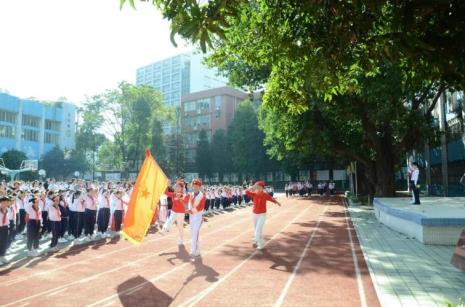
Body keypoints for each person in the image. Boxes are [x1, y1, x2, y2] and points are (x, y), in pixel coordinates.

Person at [246, 181, 281, 250]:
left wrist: (277, 202)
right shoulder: (254, 194)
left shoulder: (265, 195)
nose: (258, 189)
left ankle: (260, 243)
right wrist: (252, 187)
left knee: (257, 231)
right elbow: (247, 192)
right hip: (254, 214)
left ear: (262, 188)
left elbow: (271, 199)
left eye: (259, 187)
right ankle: (257, 240)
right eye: (257, 187)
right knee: (257, 229)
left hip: (262, 215)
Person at [159, 181, 190, 245]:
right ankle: (164, 230)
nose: (176, 187)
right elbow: (165, 192)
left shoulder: (185, 195)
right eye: (176, 186)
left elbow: (185, 201)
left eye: (178, 186)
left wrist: (180, 197)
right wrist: (166, 185)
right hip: (174, 211)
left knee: (180, 227)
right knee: (170, 220)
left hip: (181, 213)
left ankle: (181, 240)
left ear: (182, 188)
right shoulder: (174, 194)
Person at [188, 178, 206, 258]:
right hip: (191, 217)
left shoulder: (202, 196)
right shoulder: (191, 194)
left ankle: (193, 250)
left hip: (198, 217)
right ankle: (197, 250)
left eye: (196, 186)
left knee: (195, 233)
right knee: (193, 234)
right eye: (193, 186)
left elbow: (200, 208)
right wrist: (189, 210)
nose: (195, 187)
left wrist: (190, 211)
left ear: (199, 187)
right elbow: (189, 204)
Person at [0, 196, 11, 265]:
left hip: (5, 227)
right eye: (4, 202)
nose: (6, 204)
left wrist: (8, 227)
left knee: (4, 242)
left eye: (7, 202)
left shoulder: (7, 209)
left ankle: (2, 256)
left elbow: (7, 219)